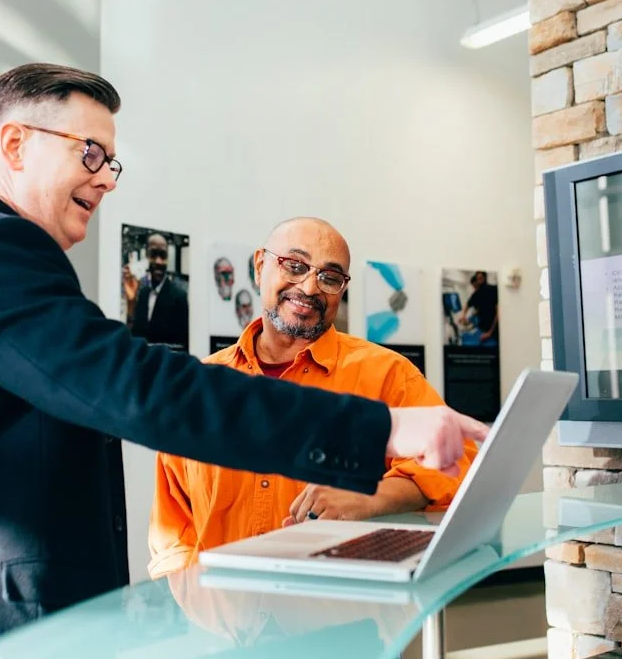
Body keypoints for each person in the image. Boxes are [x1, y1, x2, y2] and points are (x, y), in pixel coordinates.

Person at [0, 63, 488, 659]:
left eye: (111, 160)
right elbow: (142, 388)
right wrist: (380, 431)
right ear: (14, 145)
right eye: (89, 152)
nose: (108, 178)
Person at [148, 218, 477, 578]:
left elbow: (459, 465)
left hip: (339, 615)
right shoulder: (202, 386)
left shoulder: (387, 374)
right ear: (260, 266)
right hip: (223, 621)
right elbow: (172, 529)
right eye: (295, 265)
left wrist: (369, 497)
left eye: (330, 277)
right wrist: (194, 609)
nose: (309, 287)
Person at [129, 232, 189, 350]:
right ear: (146, 255)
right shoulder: (142, 293)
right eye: (153, 254)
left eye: (163, 255)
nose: (158, 261)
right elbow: (135, 335)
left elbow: (182, 345)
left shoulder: (179, 297)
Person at [461, 270, 499, 345]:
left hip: (493, 331)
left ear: (485, 278)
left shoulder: (493, 289)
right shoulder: (476, 293)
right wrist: (463, 315)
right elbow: (468, 304)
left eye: (481, 278)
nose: (479, 280)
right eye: (477, 278)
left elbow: (498, 313)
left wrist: (490, 333)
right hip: (483, 329)